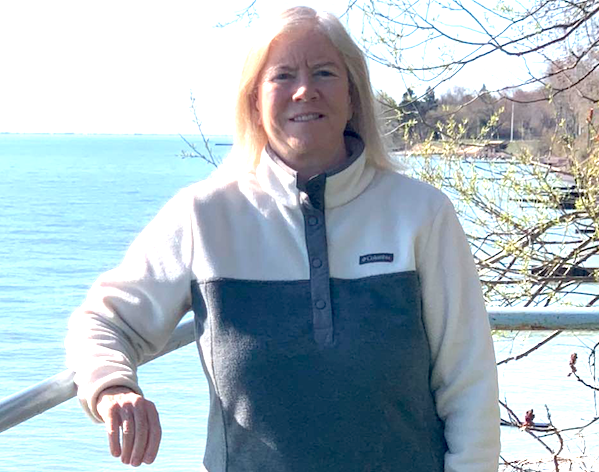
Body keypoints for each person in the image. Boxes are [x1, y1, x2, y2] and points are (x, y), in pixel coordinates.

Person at [65, 6, 500, 471]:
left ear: (353, 95)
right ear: (254, 101)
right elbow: (102, 321)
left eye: (324, 72)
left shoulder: (422, 214)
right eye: (283, 75)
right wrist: (113, 388)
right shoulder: (204, 217)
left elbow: (469, 385)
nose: (304, 90)